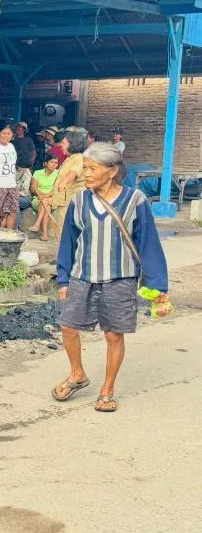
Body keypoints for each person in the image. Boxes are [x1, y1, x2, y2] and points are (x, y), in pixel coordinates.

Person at [53, 142, 168, 414]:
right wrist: (63, 279)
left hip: (120, 279)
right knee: (68, 326)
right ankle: (77, 374)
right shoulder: (79, 200)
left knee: (113, 334)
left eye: (92, 168)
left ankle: (107, 389)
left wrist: (158, 286)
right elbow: (68, 241)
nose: (86, 173)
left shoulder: (135, 200)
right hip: (83, 276)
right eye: (85, 167)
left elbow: (148, 243)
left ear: (112, 170)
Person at [48, 130, 88, 237]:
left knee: (64, 231)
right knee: (59, 230)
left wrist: (64, 182)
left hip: (70, 201)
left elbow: (74, 172)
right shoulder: (70, 158)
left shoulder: (79, 158)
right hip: (62, 201)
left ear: (73, 144)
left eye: (64, 143)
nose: (62, 145)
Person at [27, 153, 61, 240]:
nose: (54, 165)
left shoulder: (58, 174)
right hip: (37, 198)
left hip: (51, 198)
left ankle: (37, 224)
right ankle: (45, 234)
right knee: (46, 204)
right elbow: (33, 189)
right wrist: (42, 195)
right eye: (52, 162)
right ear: (45, 163)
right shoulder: (38, 173)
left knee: (46, 201)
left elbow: (56, 190)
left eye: (56, 163)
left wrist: (46, 196)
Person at [12, 121, 37, 204]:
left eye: (21, 128)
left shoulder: (28, 140)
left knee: (24, 189)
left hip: (26, 167)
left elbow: (34, 153)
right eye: (17, 127)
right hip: (15, 167)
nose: (18, 129)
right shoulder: (13, 140)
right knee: (14, 187)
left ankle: (21, 204)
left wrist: (31, 164)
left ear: (24, 130)